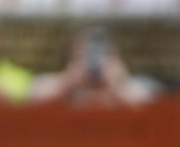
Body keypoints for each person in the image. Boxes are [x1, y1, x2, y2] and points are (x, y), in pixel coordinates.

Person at [32, 27, 160, 105]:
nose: (94, 65)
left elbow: (157, 101)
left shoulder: (134, 86)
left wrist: (121, 86)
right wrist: (66, 81)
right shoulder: (64, 85)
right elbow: (30, 96)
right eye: (84, 55)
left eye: (105, 55)